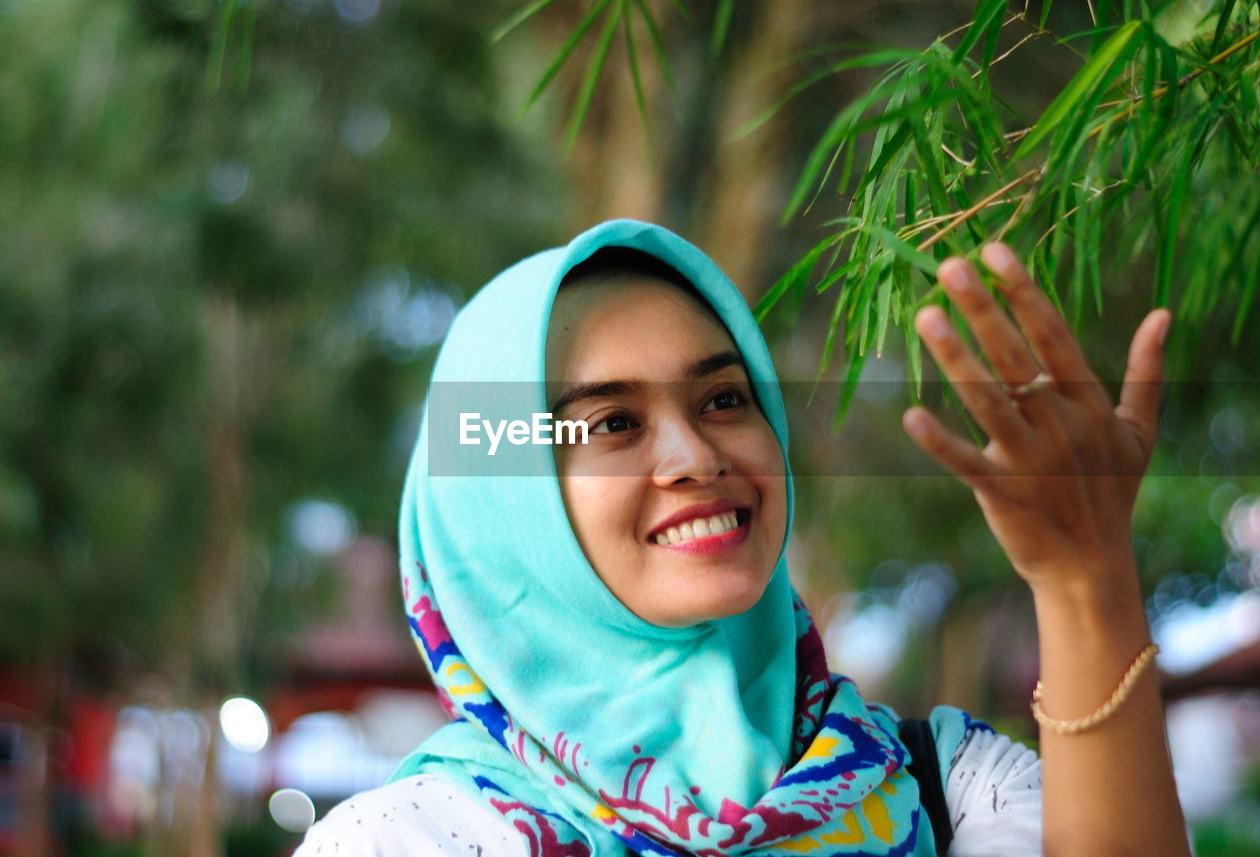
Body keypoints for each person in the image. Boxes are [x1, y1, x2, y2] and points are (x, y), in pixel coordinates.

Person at [294, 220, 1190, 856]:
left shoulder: (951, 788)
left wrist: (1084, 574)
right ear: (504, 505)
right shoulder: (416, 838)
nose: (695, 455)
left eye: (724, 398)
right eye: (610, 423)